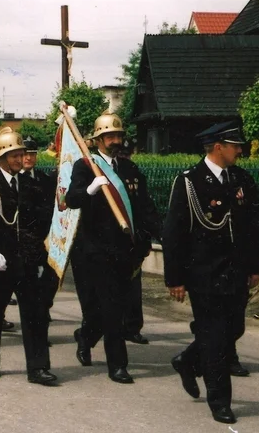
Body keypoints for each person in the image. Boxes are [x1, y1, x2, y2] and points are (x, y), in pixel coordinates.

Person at [163, 120, 259, 424]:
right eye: (235, 145)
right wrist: (175, 278)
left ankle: (187, 360)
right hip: (203, 274)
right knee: (214, 337)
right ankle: (220, 401)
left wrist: (258, 263)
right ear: (218, 147)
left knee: (234, 330)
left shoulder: (241, 179)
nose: (240, 150)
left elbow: (254, 224)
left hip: (236, 272)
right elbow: (174, 233)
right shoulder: (189, 182)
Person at [65, 113, 160, 384]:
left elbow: (144, 207)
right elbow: (71, 199)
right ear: (98, 140)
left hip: (124, 252)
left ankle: (113, 362)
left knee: (114, 310)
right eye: (110, 137)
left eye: (118, 136)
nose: (116, 141)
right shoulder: (85, 167)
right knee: (101, 310)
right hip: (94, 252)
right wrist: (91, 190)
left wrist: (158, 234)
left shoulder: (130, 170)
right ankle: (96, 345)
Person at [0, 128, 56, 385]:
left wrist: (40, 257)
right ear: (3, 157)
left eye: (23, 155)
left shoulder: (30, 185)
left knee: (35, 315)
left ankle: (38, 368)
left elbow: (40, 223)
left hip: (26, 262)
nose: (21, 160)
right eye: (15, 156)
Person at [20, 136, 60, 326]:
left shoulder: (45, 179)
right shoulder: (13, 180)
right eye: (25, 154)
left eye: (32, 154)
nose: (28, 158)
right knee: (26, 282)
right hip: (22, 240)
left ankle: (43, 307)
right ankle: (35, 317)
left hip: (44, 238)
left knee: (52, 275)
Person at [116, 141, 148, 345]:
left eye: (127, 154)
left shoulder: (134, 172)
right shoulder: (105, 173)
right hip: (113, 240)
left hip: (132, 240)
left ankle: (132, 327)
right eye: (121, 154)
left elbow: (143, 204)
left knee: (134, 286)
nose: (125, 158)